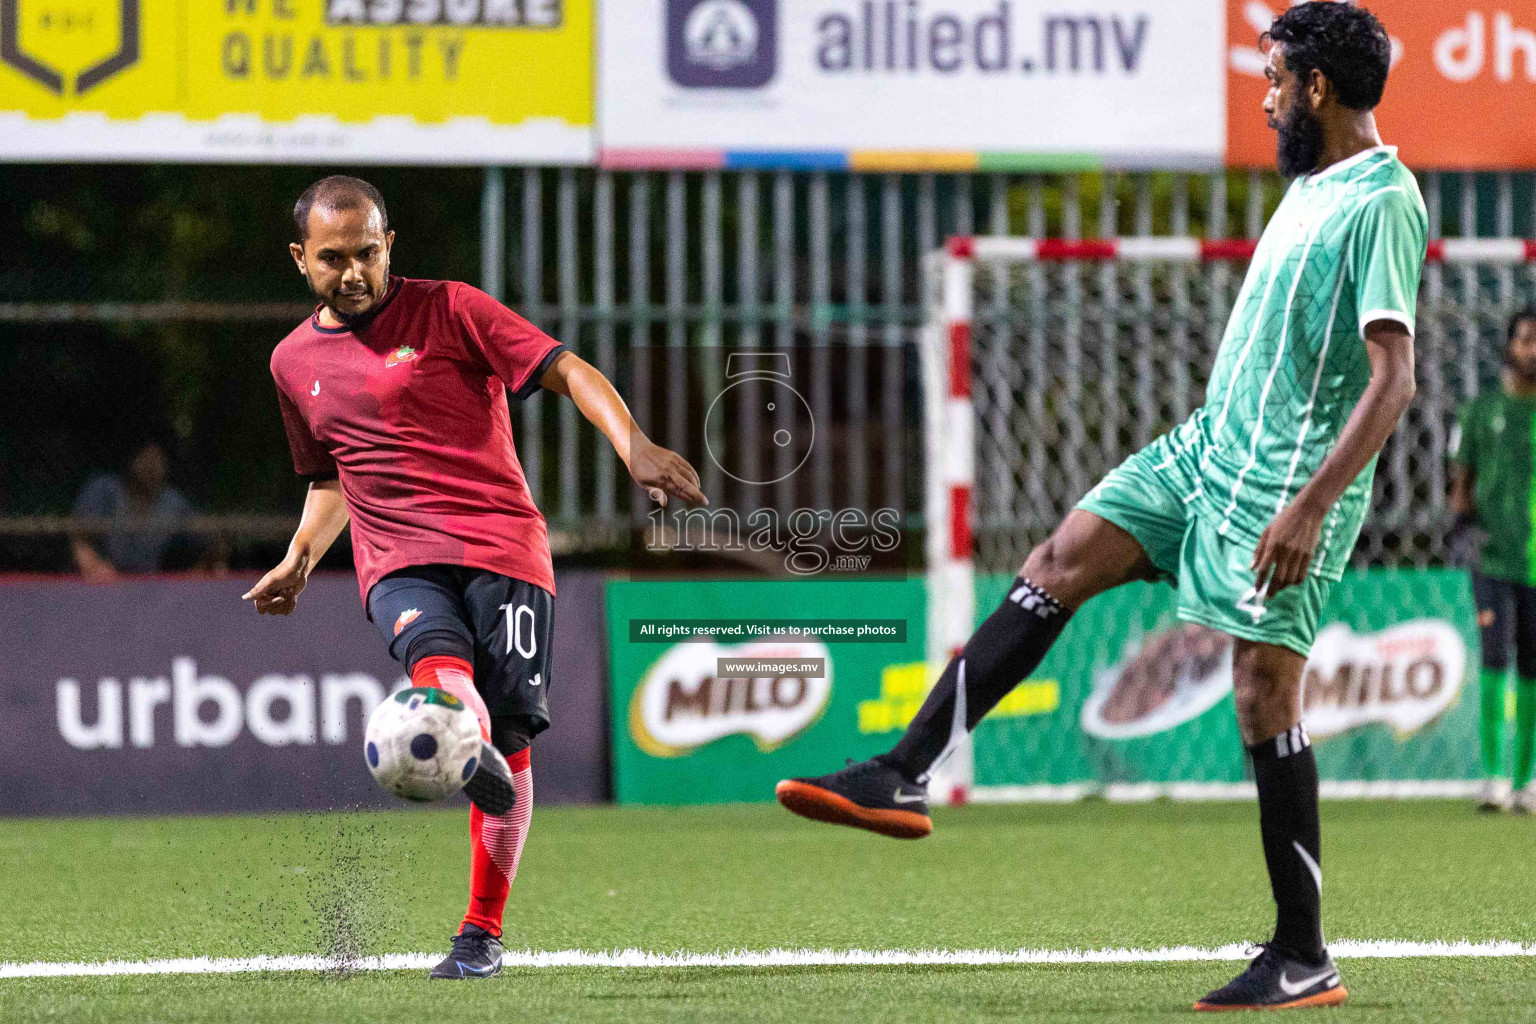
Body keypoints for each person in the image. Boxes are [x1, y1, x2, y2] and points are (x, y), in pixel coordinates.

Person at [776, 3, 1424, 1012]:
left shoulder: (1382, 198)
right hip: (1205, 452)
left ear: (1319, 87)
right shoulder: (1312, 185)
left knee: (1264, 694)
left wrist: (1310, 507)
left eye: (1274, 78)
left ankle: (1303, 952)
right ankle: (901, 770)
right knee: (1059, 557)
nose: (1265, 98)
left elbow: (1394, 379)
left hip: (1280, 487)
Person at [242, 175, 705, 980]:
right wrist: (301, 556)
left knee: (514, 734)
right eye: (332, 259)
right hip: (396, 555)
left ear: (390, 245)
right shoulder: (291, 362)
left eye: (367, 253)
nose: (352, 273)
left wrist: (633, 446)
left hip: (501, 546)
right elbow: (328, 480)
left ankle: (481, 929)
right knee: (435, 656)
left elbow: (568, 370)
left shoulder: (452, 308)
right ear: (299, 259)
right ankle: (465, 730)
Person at [1450, 309, 1536, 814]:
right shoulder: (1478, 412)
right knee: (1494, 655)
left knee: (1531, 663)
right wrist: (1460, 528)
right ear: (1508, 346)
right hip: (1491, 557)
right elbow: (1460, 483)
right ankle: (1492, 777)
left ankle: (1526, 781)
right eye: (1524, 340)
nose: (1531, 350)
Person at [71, 442, 194, 580]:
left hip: (149, 585)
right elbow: (78, 537)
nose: (151, 467)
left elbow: (206, 541)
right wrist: (94, 565)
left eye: (158, 460)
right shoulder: (105, 489)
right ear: (132, 461)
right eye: (146, 459)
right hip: (102, 581)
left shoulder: (174, 501)